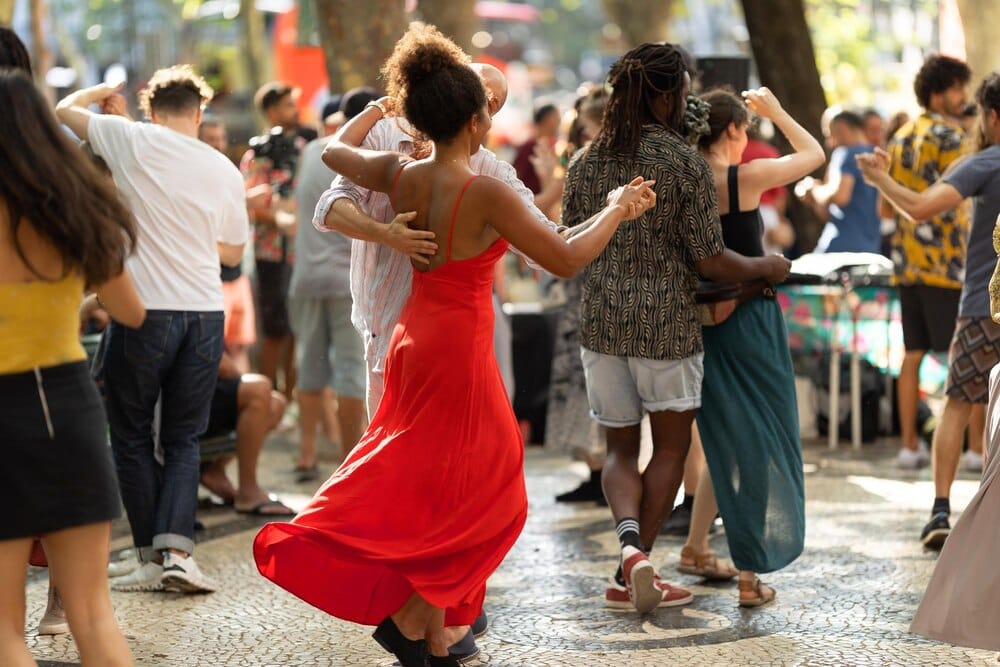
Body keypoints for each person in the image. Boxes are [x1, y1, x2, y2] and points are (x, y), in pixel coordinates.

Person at [253, 23, 655, 667]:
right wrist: (615, 208)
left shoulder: (402, 173)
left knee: (447, 484)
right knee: (496, 487)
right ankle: (416, 619)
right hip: (455, 350)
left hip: (415, 337)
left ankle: (432, 627)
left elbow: (332, 152)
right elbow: (565, 256)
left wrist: (374, 115)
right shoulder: (487, 189)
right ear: (475, 120)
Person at [563, 44, 791, 615]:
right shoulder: (680, 161)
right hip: (668, 323)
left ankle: (630, 558)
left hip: (603, 322)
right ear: (666, 95)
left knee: (618, 447)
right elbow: (712, 260)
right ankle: (636, 558)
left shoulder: (586, 160)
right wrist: (765, 266)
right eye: (683, 91)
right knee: (668, 448)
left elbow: (570, 237)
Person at [55, 65, 249, 594]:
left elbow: (61, 112)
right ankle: (178, 557)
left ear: (149, 109)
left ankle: (147, 557)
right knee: (184, 437)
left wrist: (101, 95)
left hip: (145, 312)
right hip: (205, 314)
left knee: (133, 434)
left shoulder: (133, 139)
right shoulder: (224, 169)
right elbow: (233, 253)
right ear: (200, 111)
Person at [318, 64, 566, 418]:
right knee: (396, 445)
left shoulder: (490, 172)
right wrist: (386, 233)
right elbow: (330, 205)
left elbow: (546, 238)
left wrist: (606, 216)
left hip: (453, 340)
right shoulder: (387, 142)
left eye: (489, 101)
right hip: (386, 324)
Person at [0, 67, 142, 667]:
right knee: (92, 613)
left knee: (3, 629)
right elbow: (131, 311)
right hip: (69, 407)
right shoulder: (76, 213)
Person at [678, 87, 823, 606]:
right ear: (735, 130)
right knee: (761, 437)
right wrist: (780, 111)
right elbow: (814, 155)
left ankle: (696, 546)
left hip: (698, 322)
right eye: (747, 129)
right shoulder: (742, 178)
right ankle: (749, 573)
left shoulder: (685, 180)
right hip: (750, 319)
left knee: (724, 433)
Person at [857, 73, 1000, 550]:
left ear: (992, 116)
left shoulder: (984, 161)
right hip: (960, 289)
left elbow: (919, 208)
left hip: (982, 307)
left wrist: (879, 178)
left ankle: (941, 511)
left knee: (956, 405)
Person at [883, 54, 972, 469]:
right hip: (949, 264)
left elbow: (887, 207)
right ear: (938, 92)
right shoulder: (953, 138)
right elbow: (965, 200)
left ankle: (908, 446)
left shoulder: (899, 135)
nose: (964, 97)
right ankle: (975, 450)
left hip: (907, 263)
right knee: (966, 356)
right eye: (957, 88)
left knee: (913, 353)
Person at [288, 95, 368, 479]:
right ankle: (350, 461)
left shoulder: (312, 152)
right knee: (351, 369)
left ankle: (306, 454)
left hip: (306, 277)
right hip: (346, 280)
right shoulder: (367, 157)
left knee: (309, 366)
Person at [242, 82, 314, 401]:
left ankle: (291, 397)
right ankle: (268, 399)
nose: (293, 111)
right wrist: (281, 220)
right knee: (275, 330)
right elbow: (254, 205)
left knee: (300, 329)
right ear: (271, 111)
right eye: (287, 105)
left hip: (303, 253)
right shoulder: (258, 153)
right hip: (270, 252)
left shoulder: (304, 147)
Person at [197, 349, 294, 515]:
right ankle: (248, 492)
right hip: (178, 392)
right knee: (259, 390)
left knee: (276, 403)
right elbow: (217, 361)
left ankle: (213, 470)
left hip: (198, 384)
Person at [200, 117, 258, 374]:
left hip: (237, 277)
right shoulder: (193, 175)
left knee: (238, 347)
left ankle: (242, 397)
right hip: (212, 279)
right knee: (213, 349)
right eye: (210, 139)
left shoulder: (229, 173)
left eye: (220, 138)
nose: (217, 144)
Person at [797, 110, 882, 254]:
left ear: (842, 127)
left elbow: (840, 197)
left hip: (840, 245)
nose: (830, 143)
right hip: (870, 246)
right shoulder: (878, 156)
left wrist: (813, 188)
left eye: (830, 134)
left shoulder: (847, 154)